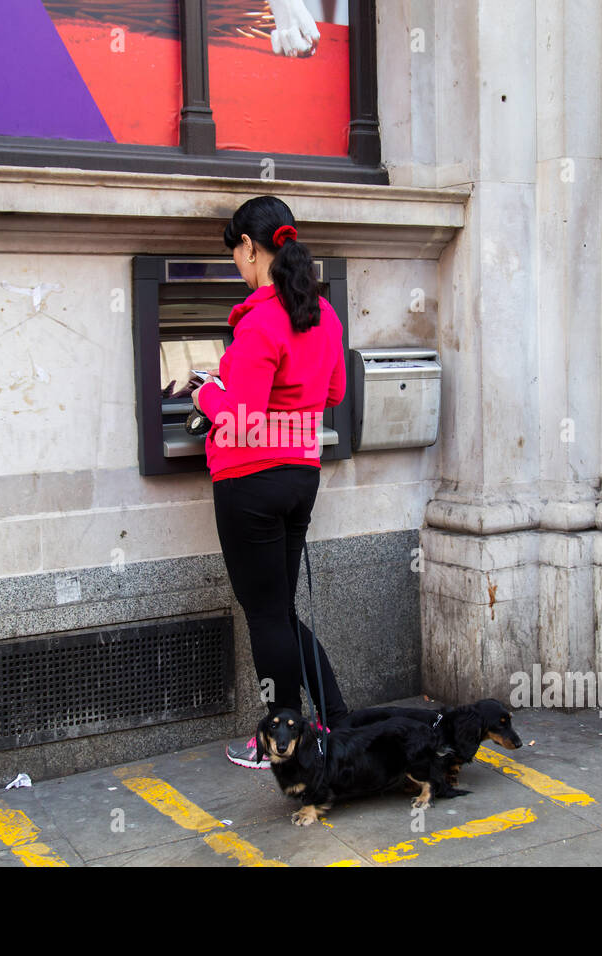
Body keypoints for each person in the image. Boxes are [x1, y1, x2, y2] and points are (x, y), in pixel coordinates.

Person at [185, 195, 350, 768]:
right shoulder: (323, 314)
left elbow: (244, 418)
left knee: (266, 616)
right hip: (300, 477)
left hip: (249, 483)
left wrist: (206, 389)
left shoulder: (259, 321)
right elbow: (333, 395)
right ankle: (335, 716)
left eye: (236, 255)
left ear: (251, 248)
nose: (237, 266)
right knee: (278, 610)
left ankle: (276, 742)